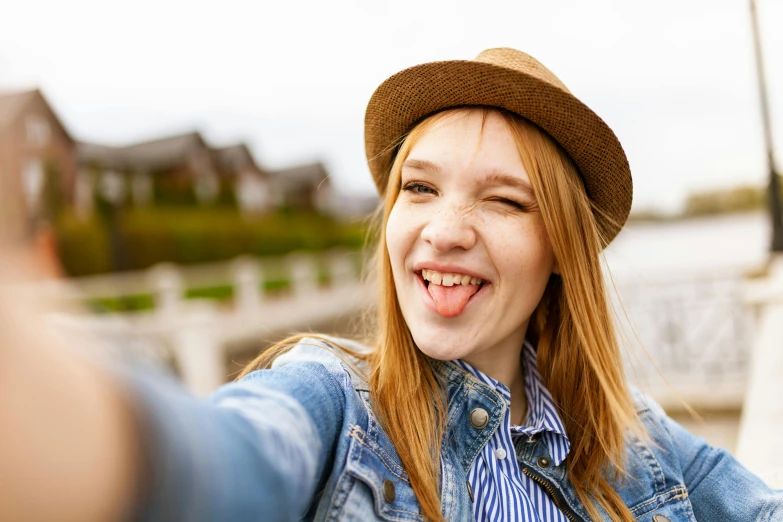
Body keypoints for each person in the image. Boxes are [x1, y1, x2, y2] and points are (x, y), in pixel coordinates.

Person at [0, 48, 780, 522]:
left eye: (505, 199)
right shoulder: (333, 408)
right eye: (419, 188)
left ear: (560, 253)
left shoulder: (630, 440)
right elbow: (214, 462)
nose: (443, 228)